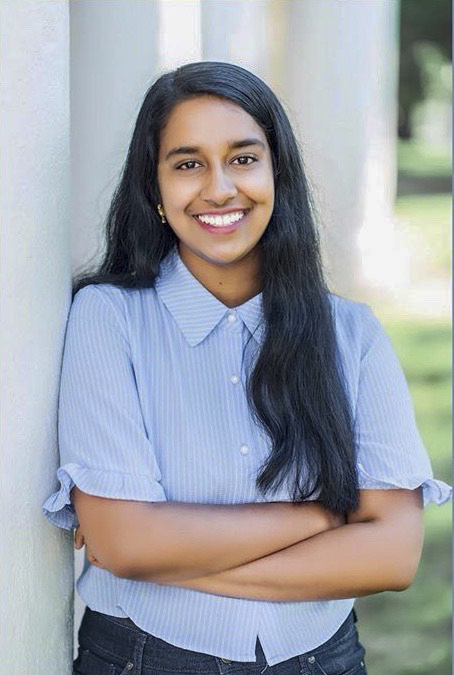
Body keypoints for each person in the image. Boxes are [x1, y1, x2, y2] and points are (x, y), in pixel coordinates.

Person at [42, 61, 451, 675]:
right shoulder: (108, 319)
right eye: (187, 164)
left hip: (323, 661)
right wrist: (328, 512)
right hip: (148, 659)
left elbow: (391, 558)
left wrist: (172, 555)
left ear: (277, 173)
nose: (218, 188)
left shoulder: (353, 334)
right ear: (152, 191)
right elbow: (125, 542)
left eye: (242, 158)